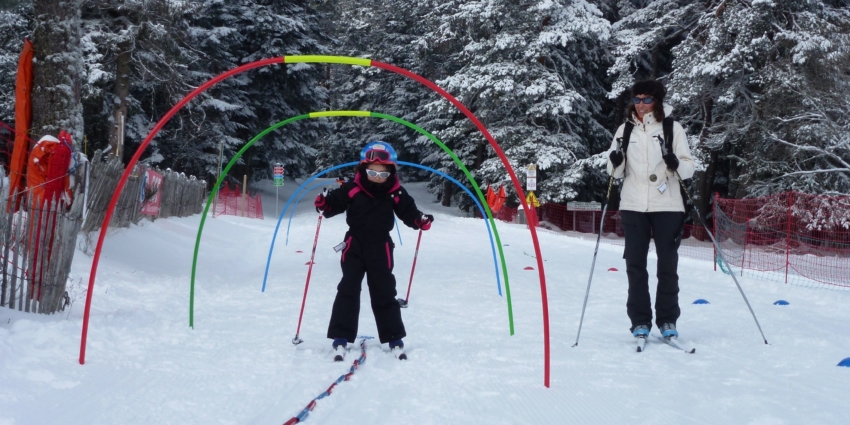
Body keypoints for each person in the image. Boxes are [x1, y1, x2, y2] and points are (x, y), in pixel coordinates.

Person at [314, 141, 434, 361]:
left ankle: (394, 337)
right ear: (363, 169)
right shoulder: (352, 188)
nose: (377, 177)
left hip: (381, 247)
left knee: (384, 290)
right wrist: (324, 204)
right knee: (348, 287)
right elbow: (334, 204)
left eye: (382, 174)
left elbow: (409, 212)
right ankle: (341, 336)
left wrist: (419, 220)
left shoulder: (395, 192)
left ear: (391, 172)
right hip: (354, 245)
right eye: (372, 172)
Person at [606, 80, 695, 341]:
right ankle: (639, 321)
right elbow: (614, 172)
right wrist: (615, 162)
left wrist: (676, 163)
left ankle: (667, 319)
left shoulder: (672, 128)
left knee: (667, 265)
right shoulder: (625, 130)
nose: (641, 105)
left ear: (657, 100)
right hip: (633, 205)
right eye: (637, 99)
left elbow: (688, 167)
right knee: (635, 265)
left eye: (647, 99)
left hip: (667, 204)